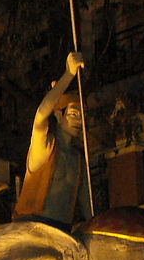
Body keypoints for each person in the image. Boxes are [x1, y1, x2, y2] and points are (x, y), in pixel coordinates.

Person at [12, 52, 91, 230]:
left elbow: (87, 206)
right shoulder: (45, 147)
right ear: (59, 115)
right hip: (32, 228)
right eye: (74, 114)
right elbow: (40, 115)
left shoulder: (79, 160)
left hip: (62, 231)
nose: (79, 121)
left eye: (82, 116)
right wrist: (68, 74)